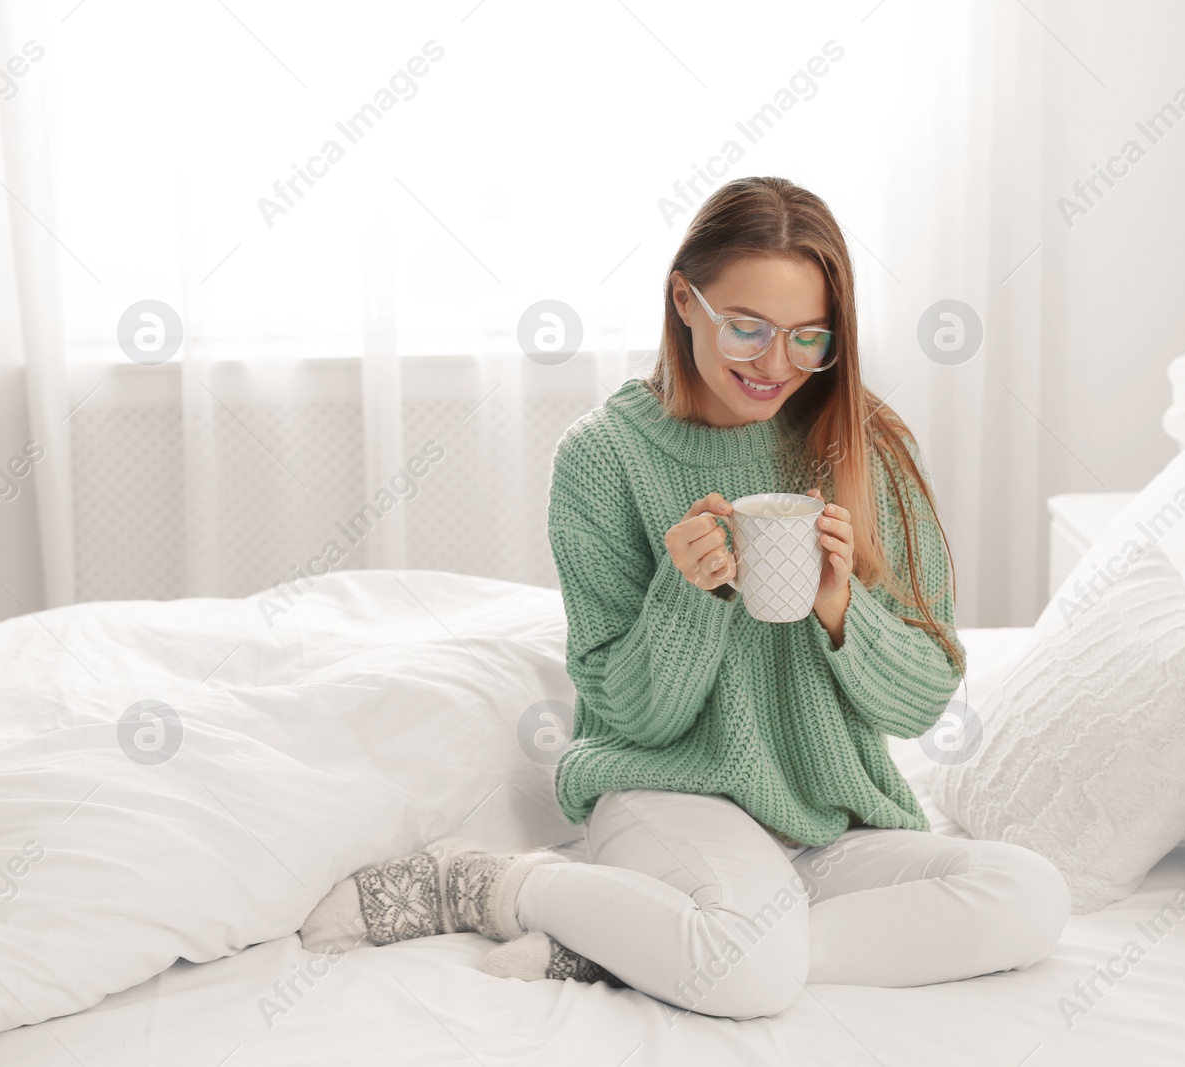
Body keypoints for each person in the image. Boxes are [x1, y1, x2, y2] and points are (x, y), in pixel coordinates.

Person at [300, 176, 1068, 1019]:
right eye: (748, 328)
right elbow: (631, 716)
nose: (777, 366)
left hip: (830, 818)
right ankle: (493, 885)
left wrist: (842, 607)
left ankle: (640, 944)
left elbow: (925, 696)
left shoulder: (861, 441)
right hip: (671, 793)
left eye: (810, 339)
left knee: (1029, 893)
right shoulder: (602, 458)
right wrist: (688, 593)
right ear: (683, 299)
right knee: (747, 974)